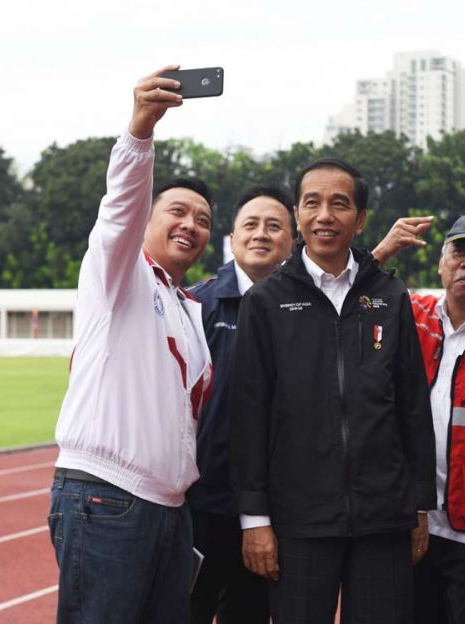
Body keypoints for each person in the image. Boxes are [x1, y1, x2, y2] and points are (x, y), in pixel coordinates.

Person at [229, 157, 437, 624]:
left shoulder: (388, 295)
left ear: (360, 219)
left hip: (383, 519)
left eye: (339, 204)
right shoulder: (266, 301)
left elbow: (411, 407)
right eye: (312, 203)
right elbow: (248, 414)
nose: (325, 215)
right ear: (298, 216)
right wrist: (254, 519)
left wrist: (420, 506)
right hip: (298, 521)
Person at [48, 65, 214, 624]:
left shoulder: (187, 306)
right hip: (107, 496)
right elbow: (118, 210)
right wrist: (141, 131)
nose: (191, 224)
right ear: (147, 217)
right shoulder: (118, 276)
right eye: (177, 211)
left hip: (167, 508)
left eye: (204, 220)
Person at [373, 213, 465, 624]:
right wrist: (382, 252)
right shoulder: (409, 314)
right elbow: (349, 296)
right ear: (440, 262)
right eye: (458, 252)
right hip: (410, 525)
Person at [188, 185, 295, 624]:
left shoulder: (306, 311)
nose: (261, 234)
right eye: (250, 225)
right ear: (231, 239)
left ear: (293, 241)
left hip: (278, 511)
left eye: (274, 226)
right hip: (200, 506)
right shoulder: (197, 305)